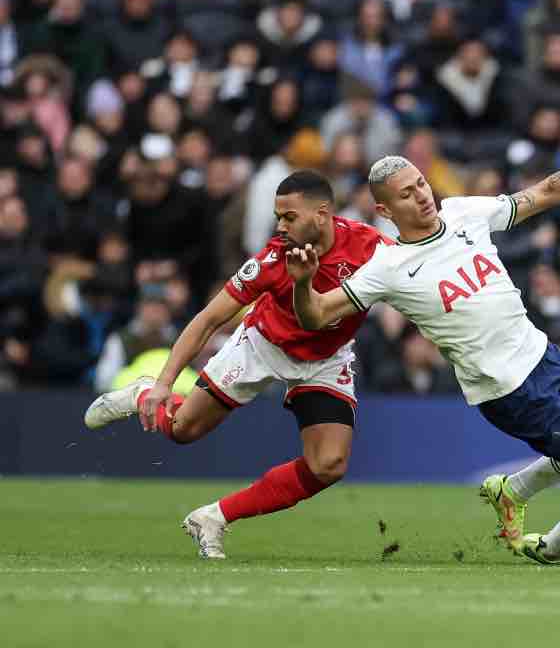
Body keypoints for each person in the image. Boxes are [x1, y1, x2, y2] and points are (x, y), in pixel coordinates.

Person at [287, 147, 560, 566]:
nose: (422, 196)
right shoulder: (387, 267)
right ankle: (549, 549)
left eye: (421, 185)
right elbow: (316, 314)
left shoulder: (464, 212)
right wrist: (303, 285)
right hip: (512, 391)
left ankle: (513, 491)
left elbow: (542, 194)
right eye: (406, 195)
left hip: (544, 355)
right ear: (384, 209)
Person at [82, 171, 392, 559]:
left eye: (289, 216)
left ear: (322, 214)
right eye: (279, 215)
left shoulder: (372, 247)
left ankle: (214, 517)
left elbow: (418, 278)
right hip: (262, 346)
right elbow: (208, 319)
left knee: (328, 465)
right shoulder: (272, 259)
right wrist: (164, 383)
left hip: (326, 359)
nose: (280, 225)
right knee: (182, 431)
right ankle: (144, 391)